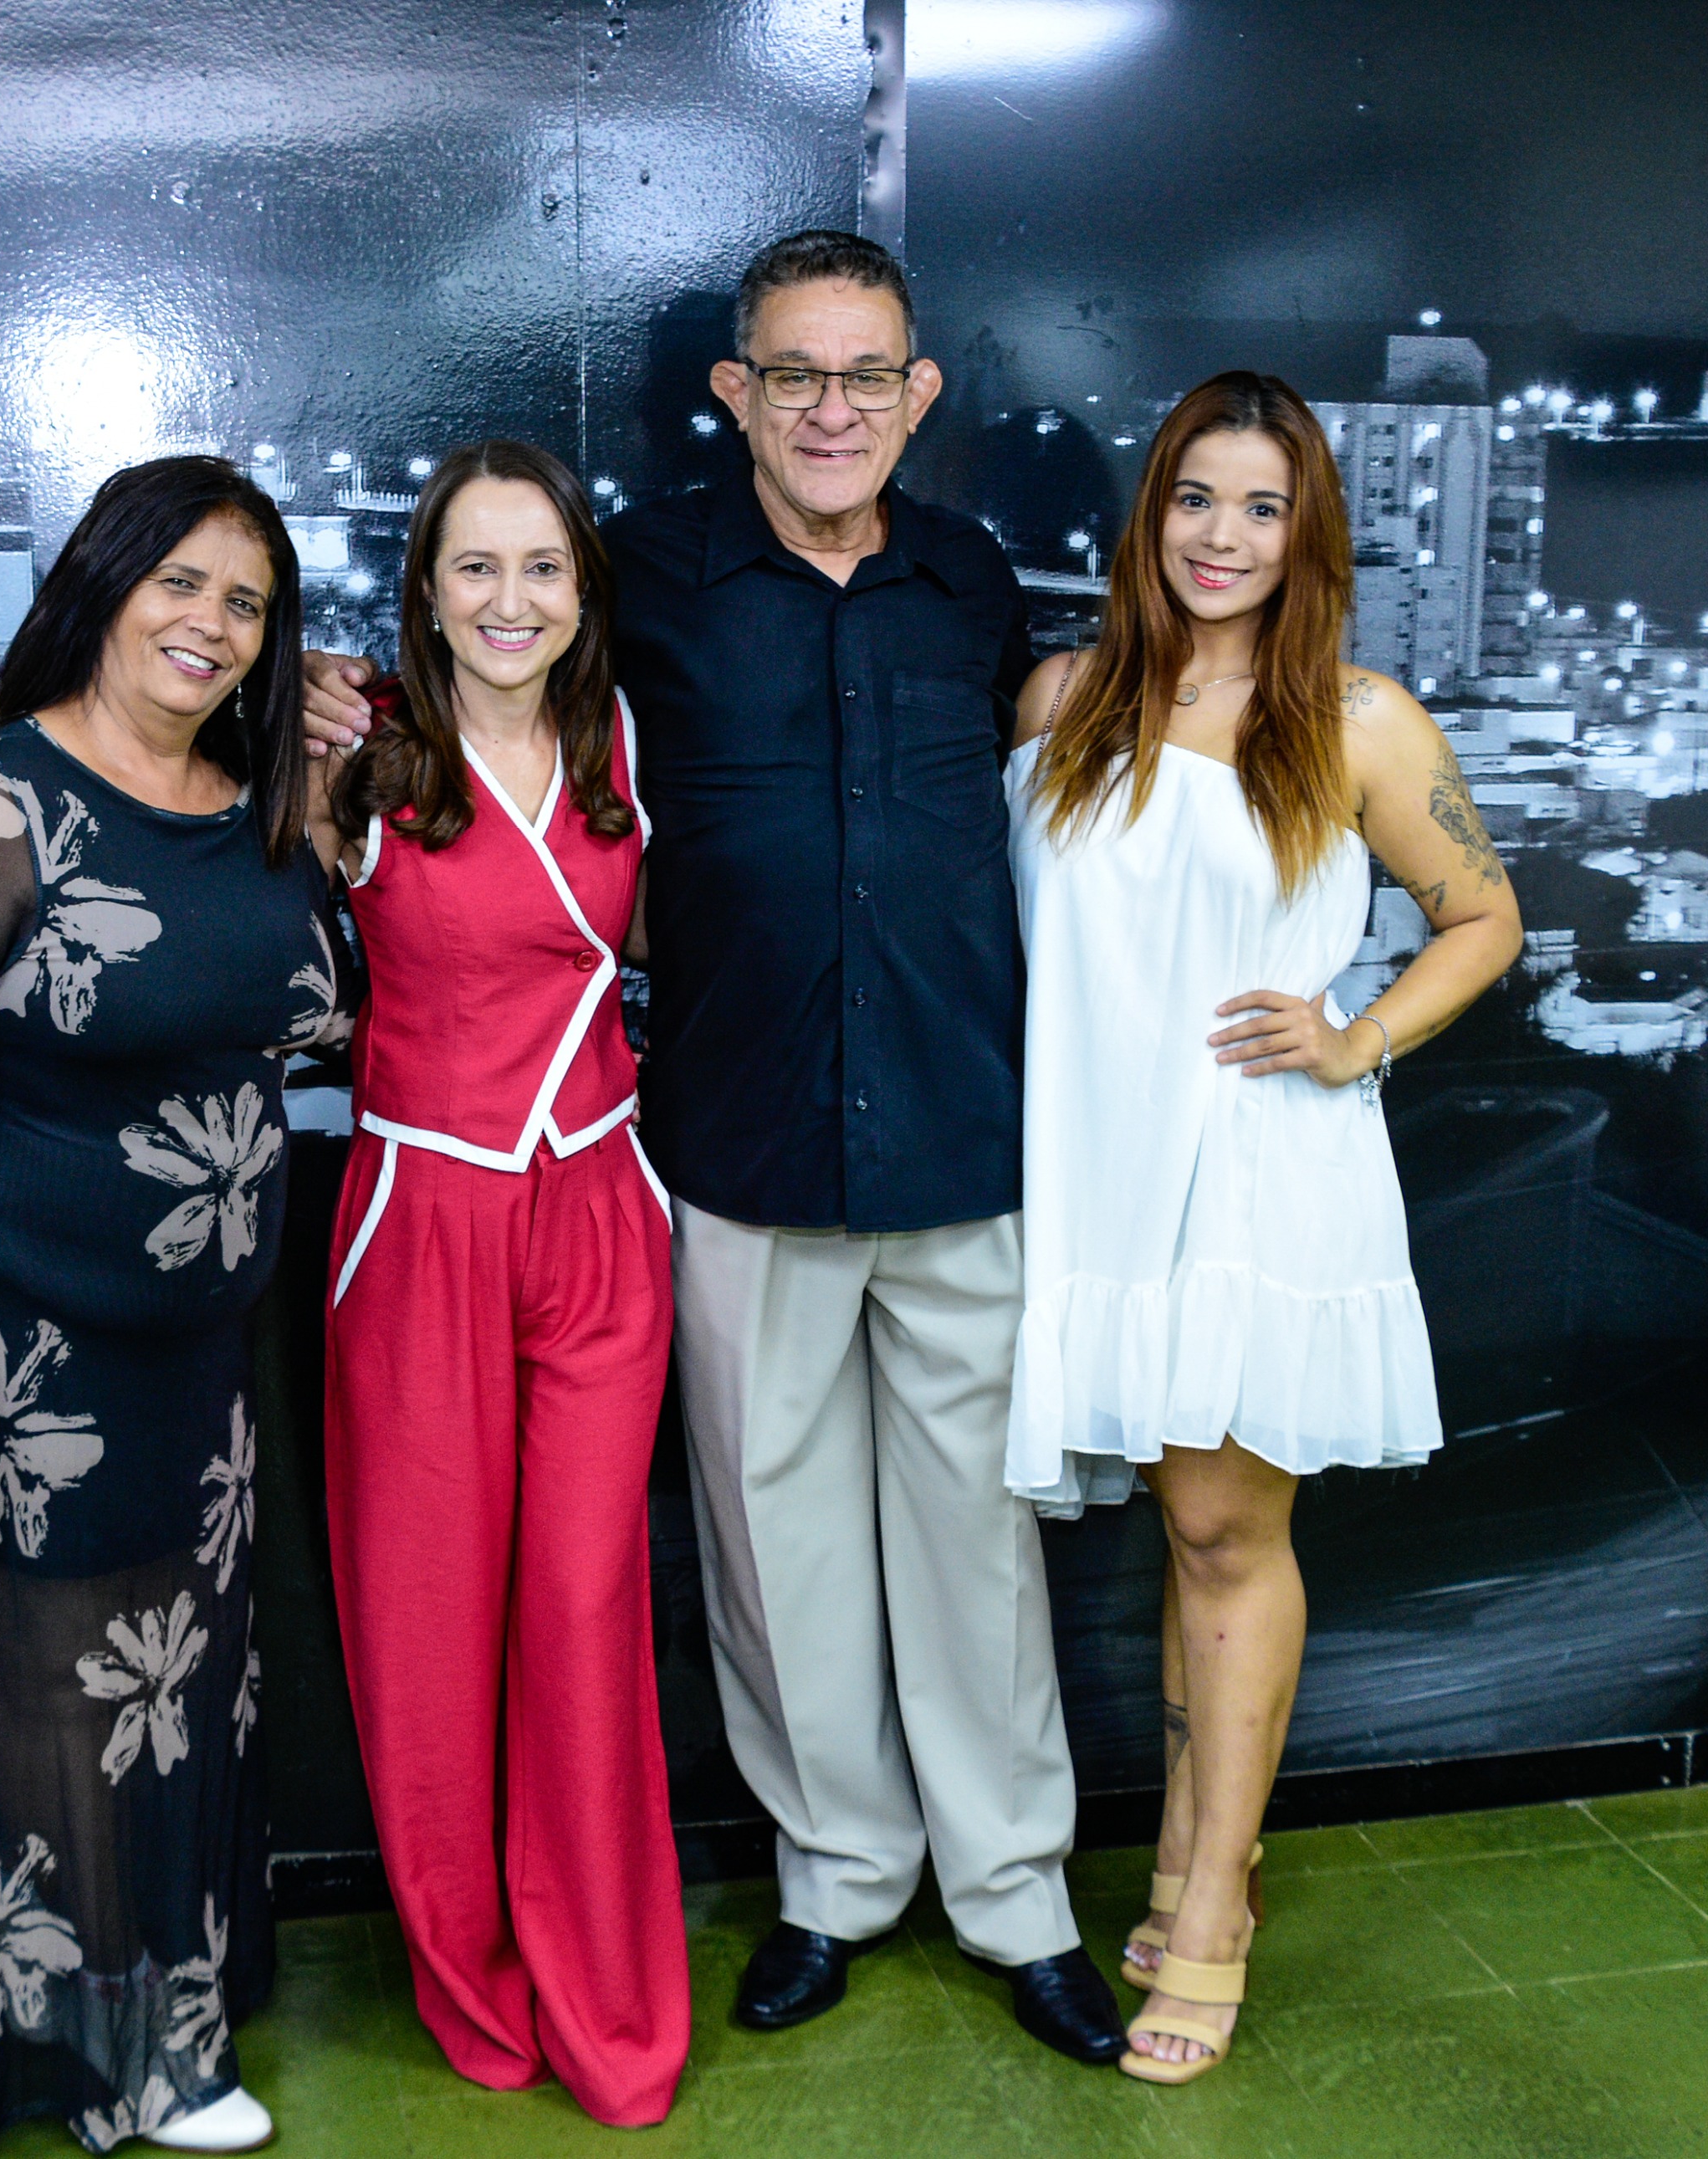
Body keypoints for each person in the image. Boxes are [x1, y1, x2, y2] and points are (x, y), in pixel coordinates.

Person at [306, 230, 1127, 2067]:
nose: (833, 409)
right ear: (736, 391)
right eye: (796, 374)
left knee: (980, 1559)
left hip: (959, 1135)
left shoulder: (971, 579)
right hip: (731, 1151)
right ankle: (836, 1882)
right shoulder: (642, 581)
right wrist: (333, 702)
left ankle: (1017, 1899)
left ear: (916, 394)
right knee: (775, 1556)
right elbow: (491, 696)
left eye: (867, 375)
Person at [0, 456, 350, 2156]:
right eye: (180, 582)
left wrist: (346, 771)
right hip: (22, 1352)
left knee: (171, 1693)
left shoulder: (257, 802)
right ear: (104, 584)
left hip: (200, 1354)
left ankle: (158, 2013)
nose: (212, 623)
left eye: (248, 602)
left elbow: (325, 1013)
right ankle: (127, 2064)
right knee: (64, 1700)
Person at [1006, 371, 1522, 2085]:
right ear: (1149, 513)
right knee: (1188, 1525)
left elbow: (1482, 916)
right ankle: (1184, 1861)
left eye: (1261, 506)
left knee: (1228, 1529)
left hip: (1257, 1172)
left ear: (1309, 536)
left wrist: (1356, 1035)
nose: (1220, 536)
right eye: (1193, 498)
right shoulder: (1066, 698)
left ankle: (1215, 1908)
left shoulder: (1360, 719)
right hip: (1100, 1174)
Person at [304, 439, 688, 2127]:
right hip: (424, 1222)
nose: (510, 600)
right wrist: (297, 699)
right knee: (428, 1626)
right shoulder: (357, 755)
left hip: (600, 1212)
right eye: (475, 565)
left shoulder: (623, 746)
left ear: (584, 589)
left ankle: (605, 1992)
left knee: (586, 1616)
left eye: (543, 566)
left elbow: (670, 932)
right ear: (426, 587)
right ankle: (471, 1982)